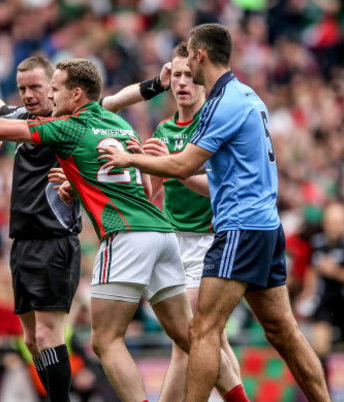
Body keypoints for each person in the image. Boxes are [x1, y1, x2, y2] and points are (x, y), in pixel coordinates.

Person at [0, 58, 245, 402]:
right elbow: (140, 189)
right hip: (162, 232)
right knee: (191, 337)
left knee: (105, 341)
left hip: (124, 235)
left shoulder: (68, 127)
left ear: (76, 94)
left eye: (55, 88)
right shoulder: (119, 125)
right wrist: (77, 186)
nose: (49, 93)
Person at [98, 23, 330, 401]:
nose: (184, 68)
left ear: (200, 55)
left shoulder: (223, 105)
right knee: (281, 330)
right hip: (263, 226)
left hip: (238, 229)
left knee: (202, 330)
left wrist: (129, 157)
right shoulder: (248, 95)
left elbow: (183, 167)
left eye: (189, 56)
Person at [100, 41, 241, 400]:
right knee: (211, 337)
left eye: (187, 75)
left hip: (208, 242)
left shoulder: (213, 123)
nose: (181, 82)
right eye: (175, 75)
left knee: (189, 337)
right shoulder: (163, 131)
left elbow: (217, 188)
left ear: (201, 78)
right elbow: (151, 193)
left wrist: (176, 166)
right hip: (173, 241)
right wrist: (141, 160)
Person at [0, 56, 83, 401]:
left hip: (54, 241)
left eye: (36, 87)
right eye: (22, 88)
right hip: (23, 243)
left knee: (47, 337)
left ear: (54, 90)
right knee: (30, 341)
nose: (27, 94)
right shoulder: (22, 118)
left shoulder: (67, 122)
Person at [304, 202, 344, 387]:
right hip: (324, 304)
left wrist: (335, 272)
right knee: (319, 348)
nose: (334, 226)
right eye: (331, 222)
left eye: (338, 222)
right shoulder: (317, 244)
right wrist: (307, 292)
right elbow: (311, 271)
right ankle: (324, 392)